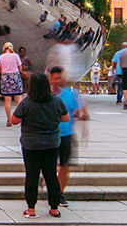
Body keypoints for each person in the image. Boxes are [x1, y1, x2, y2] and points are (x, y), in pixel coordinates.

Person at [11, 72, 69, 217]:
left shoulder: (27, 102)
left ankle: (31, 209)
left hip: (31, 145)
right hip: (51, 143)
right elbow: (65, 118)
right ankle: (54, 208)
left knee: (32, 176)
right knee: (51, 175)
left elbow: (14, 120)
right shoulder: (56, 101)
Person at [47, 64, 86, 194]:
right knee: (49, 166)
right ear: (50, 79)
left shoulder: (71, 94)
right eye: (55, 78)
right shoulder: (45, 95)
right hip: (49, 135)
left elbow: (79, 113)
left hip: (66, 135)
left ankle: (59, 193)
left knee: (64, 166)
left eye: (60, 78)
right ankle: (51, 187)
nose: (58, 81)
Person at [0, 42, 24, 120]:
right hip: (15, 76)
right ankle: (19, 118)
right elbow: (20, 69)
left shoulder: (1, 57)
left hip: (5, 77)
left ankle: (9, 119)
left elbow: (0, 69)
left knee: (7, 100)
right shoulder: (16, 56)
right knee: (18, 99)